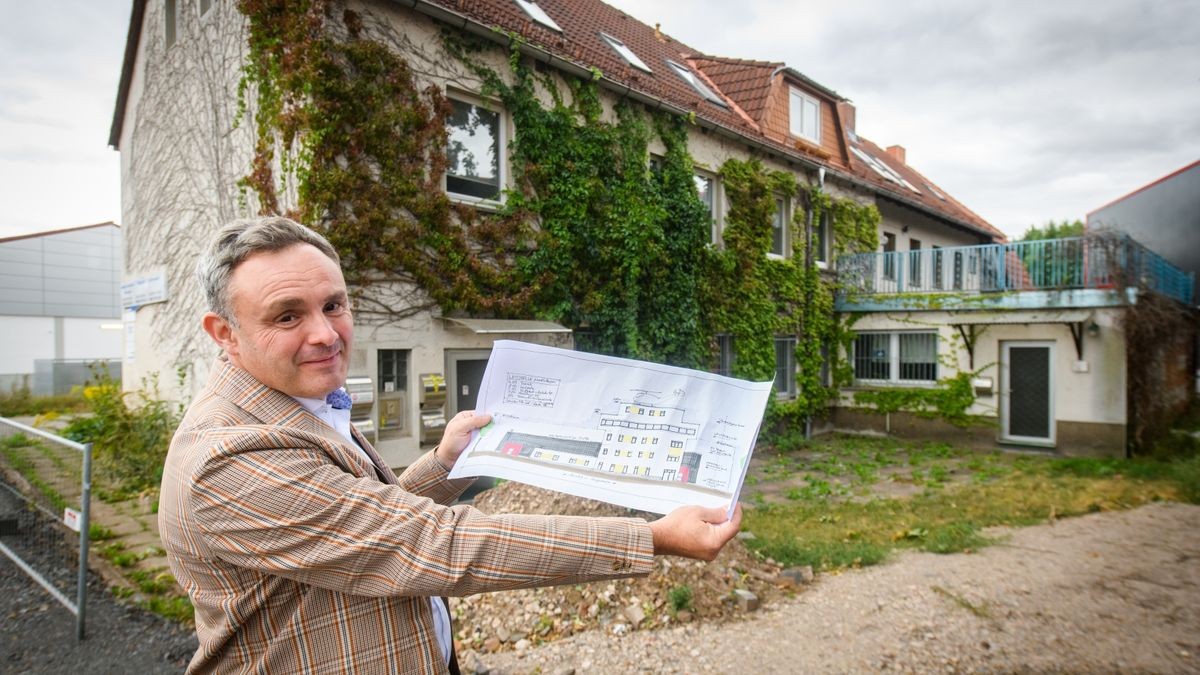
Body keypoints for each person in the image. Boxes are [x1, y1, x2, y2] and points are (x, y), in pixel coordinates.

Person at [159, 216, 742, 674]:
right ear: (224, 334)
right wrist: (652, 537)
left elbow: (354, 523)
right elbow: (427, 544)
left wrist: (445, 462)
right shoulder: (229, 457)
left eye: (333, 305)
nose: (325, 333)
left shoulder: (291, 400)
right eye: (287, 316)